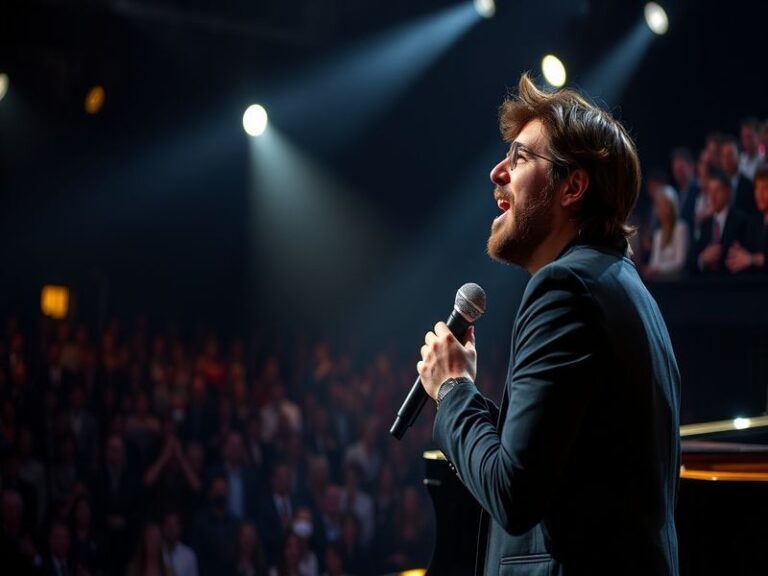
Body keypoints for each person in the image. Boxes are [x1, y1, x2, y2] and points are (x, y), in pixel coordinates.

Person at [416, 74, 680, 575]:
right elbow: (570, 470)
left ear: (572, 186)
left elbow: (513, 495)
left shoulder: (563, 289)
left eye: (518, 158)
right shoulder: (624, 288)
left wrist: (452, 389)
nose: (497, 172)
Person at [726, 162, 768, 273]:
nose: (759, 194)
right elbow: (747, 252)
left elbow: (752, 257)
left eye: (764, 189)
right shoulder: (754, 221)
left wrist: (752, 259)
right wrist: (739, 253)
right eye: (756, 189)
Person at [643, 186, 689, 280]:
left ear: (673, 206)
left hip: (677, 283)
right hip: (660, 283)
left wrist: (657, 269)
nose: (662, 209)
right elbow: (654, 262)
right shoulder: (658, 234)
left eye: (666, 205)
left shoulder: (680, 228)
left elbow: (680, 262)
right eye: (659, 205)